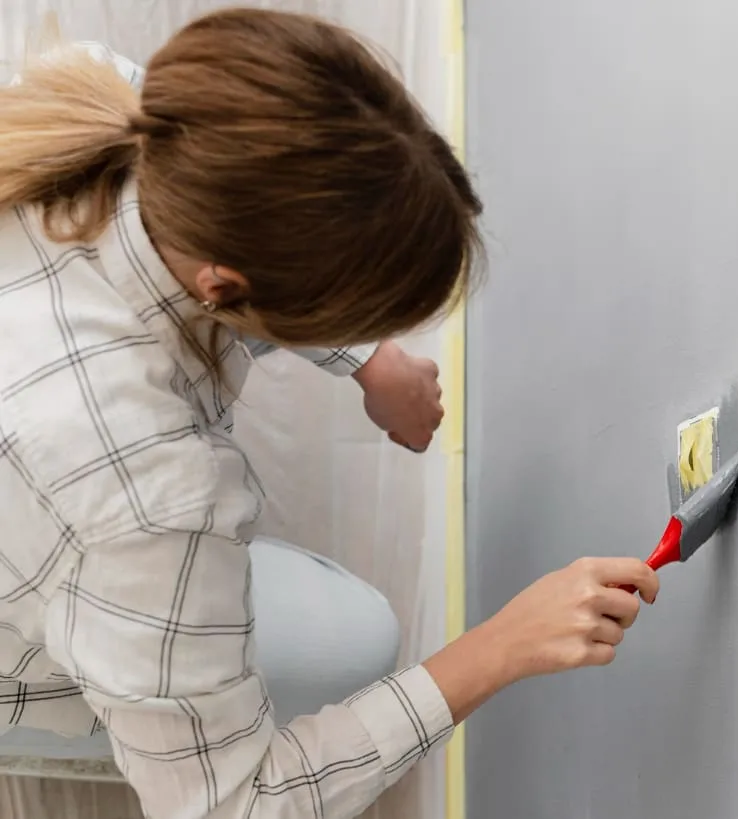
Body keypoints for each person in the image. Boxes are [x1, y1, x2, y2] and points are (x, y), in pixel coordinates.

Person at [0, 8, 660, 818]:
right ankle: (79, 724)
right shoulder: (148, 498)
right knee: (351, 642)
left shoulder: (122, 104)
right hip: (37, 596)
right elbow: (234, 806)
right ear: (225, 287)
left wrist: (368, 356)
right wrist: (501, 644)